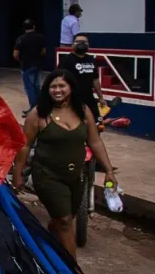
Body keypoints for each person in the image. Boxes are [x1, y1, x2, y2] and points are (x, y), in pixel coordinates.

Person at [12, 69, 117, 259]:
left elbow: (95, 142)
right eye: (53, 86)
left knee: (64, 219)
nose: (57, 90)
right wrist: (18, 175)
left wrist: (109, 170)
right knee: (66, 221)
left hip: (77, 176)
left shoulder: (83, 111)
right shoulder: (38, 114)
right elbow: (25, 146)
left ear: (71, 88)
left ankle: (49, 244)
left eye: (62, 86)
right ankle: (74, 273)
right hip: (47, 175)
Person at [57, 33, 107, 125]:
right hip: (72, 101)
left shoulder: (91, 59)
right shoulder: (66, 61)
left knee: (97, 124)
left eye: (84, 42)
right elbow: (60, 82)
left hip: (90, 100)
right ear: (72, 44)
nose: (81, 44)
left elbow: (95, 80)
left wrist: (101, 98)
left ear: (88, 44)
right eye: (78, 42)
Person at [13, 18, 47, 117]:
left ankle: (33, 109)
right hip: (38, 64)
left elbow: (15, 54)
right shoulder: (41, 37)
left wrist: (21, 60)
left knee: (29, 87)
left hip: (26, 66)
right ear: (34, 26)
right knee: (37, 86)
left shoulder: (21, 39)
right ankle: (41, 106)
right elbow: (44, 51)